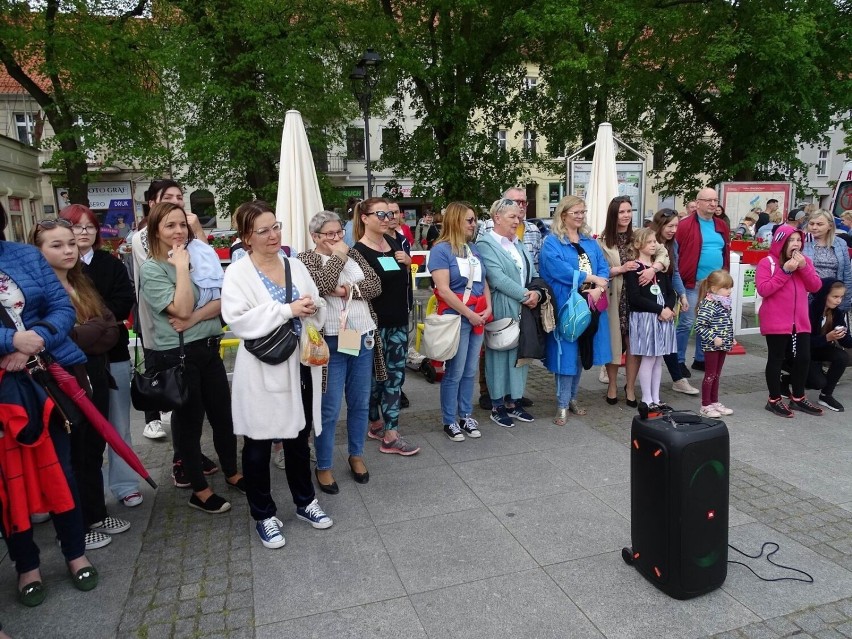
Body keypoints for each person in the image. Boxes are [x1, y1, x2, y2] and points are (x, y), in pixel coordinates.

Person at [0, 207, 98, 607]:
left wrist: (33, 340)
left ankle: (75, 554)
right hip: (4, 391)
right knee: (11, 481)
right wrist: (9, 343)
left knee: (62, 468)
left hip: (44, 378)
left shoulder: (23, 256)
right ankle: (27, 565)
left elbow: (61, 306)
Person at [222, 204, 333, 548]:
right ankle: (263, 513)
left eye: (276, 227)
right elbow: (237, 319)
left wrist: (313, 308)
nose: (273, 236)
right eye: (263, 231)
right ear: (245, 238)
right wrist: (286, 309)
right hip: (262, 368)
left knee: (298, 438)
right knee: (257, 443)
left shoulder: (295, 265)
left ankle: (305, 501)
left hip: (298, 362)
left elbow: (317, 305)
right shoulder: (238, 273)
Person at [29, 218, 133, 551]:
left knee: (92, 449)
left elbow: (111, 329)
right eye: (56, 245)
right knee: (71, 454)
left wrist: (86, 331)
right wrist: (91, 330)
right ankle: (76, 526)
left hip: (95, 373)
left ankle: (97, 512)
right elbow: (60, 338)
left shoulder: (82, 281)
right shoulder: (39, 292)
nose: (68, 250)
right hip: (63, 379)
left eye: (70, 243)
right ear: (39, 250)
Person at [139, 202, 244, 513]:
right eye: (170, 225)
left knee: (224, 417)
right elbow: (179, 309)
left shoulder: (199, 255)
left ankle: (232, 472)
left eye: (182, 225)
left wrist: (194, 318)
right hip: (178, 355)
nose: (179, 231)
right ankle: (199, 489)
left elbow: (224, 301)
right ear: (155, 230)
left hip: (210, 347)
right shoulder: (153, 269)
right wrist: (182, 269)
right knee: (190, 424)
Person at [131, 180, 218, 481]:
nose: (177, 201)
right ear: (152, 204)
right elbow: (175, 301)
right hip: (165, 335)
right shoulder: (144, 241)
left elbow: (213, 282)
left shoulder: (187, 237)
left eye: (180, 197)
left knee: (200, 408)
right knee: (181, 403)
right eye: (168, 198)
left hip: (198, 336)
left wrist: (196, 315)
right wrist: (185, 272)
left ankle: (191, 457)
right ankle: (184, 462)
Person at [60, 205, 141, 509]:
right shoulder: (56, 269)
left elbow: (122, 304)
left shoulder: (111, 263)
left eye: (89, 227)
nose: (84, 232)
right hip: (70, 362)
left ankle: (124, 483)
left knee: (119, 423)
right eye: (76, 226)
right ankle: (84, 495)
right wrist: (99, 320)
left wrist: (86, 322)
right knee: (80, 429)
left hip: (113, 355)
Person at [298, 211, 382, 490]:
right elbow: (321, 286)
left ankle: (356, 455)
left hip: (362, 335)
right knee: (329, 408)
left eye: (339, 233)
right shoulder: (305, 259)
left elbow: (375, 285)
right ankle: (323, 465)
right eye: (329, 234)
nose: (336, 238)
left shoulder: (355, 255)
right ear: (315, 236)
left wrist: (346, 290)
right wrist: (339, 257)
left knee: (359, 402)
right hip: (330, 341)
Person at [353, 198, 420, 455]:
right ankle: (375, 422)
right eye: (379, 214)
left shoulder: (394, 243)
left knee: (395, 377)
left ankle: (391, 433)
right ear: (364, 218)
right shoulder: (357, 253)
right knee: (372, 382)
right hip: (371, 327)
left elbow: (402, 281)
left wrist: (407, 263)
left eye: (388, 213)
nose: (386, 218)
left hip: (398, 323)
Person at [539, 196, 611, 425]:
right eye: (575, 212)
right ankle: (561, 404)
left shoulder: (590, 242)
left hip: (592, 304)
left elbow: (603, 267)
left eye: (583, 212)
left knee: (582, 352)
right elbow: (558, 270)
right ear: (563, 215)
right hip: (567, 304)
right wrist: (591, 278)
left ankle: (572, 398)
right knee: (565, 354)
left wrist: (600, 287)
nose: (580, 216)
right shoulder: (552, 242)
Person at [428, 202, 491, 439]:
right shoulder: (441, 250)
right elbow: (443, 290)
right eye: (470, 220)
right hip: (457, 318)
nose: (474, 224)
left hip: (477, 318)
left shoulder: (473, 249)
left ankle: (465, 414)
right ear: (455, 221)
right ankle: (449, 419)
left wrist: (488, 308)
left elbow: (484, 281)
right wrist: (470, 314)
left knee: (469, 370)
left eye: (474, 220)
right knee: (454, 371)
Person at [598, 196, 668, 406]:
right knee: (614, 345)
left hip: (639, 298)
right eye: (621, 212)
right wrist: (619, 269)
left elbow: (663, 253)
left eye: (629, 211)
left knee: (634, 345)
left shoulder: (639, 235)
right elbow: (597, 270)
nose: (626, 215)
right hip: (615, 298)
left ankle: (630, 387)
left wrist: (653, 268)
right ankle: (612, 385)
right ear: (613, 214)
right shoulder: (602, 241)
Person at [477, 198, 539, 427]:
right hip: (503, 304)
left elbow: (531, 273)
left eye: (519, 216)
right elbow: (497, 278)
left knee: (520, 355)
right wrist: (526, 295)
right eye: (512, 216)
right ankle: (497, 404)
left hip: (524, 306)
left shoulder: (517, 243)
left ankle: (514, 401)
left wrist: (536, 294)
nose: (517, 220)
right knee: (499, 353)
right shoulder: (486, 243)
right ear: (497, 218)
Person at [756, 224, 823, 418]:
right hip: (776, 320)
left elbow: (816, 286)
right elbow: (764, 289)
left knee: (803, 358)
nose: (796, 244)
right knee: (776, 359)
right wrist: (784, 271)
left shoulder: (805, 261)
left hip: (800, 320)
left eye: (798, 240)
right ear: (780, 243)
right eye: (791, 240)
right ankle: (774, 399)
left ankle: (798, 397)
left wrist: (803, 268)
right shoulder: (767, 262)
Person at [675, 187, 730, 377]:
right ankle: (678, 361)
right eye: (709, 200)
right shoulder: (685, 225)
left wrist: (725, 278)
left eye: (715, 200)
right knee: (687, 321)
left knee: (707, 322)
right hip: (692, 281)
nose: (713, 204)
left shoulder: (721, 225)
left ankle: (700, 358)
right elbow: (676, 252)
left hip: (714, 284)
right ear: (697, 203)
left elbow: (725, 252)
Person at [624, 228, 677, 413]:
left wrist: (669, 308)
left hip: (663, 317)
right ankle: (647, 398)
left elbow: (671, 292)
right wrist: (659, 310)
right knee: (648, 357)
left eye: (655, 241)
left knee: (658, 359)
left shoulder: (658, 267)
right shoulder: (634, 268)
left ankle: (656, 397)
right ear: (639, 245)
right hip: (646, 317)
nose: (654, 244)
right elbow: (635, 298)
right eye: (650, 242)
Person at [649, 209, 698, 396]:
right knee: (632, 339)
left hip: (666, 293)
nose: (673, 230)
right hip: (648, 295)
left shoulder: (673, 244)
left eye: (676, 226)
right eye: (670, 226)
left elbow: (675, 271)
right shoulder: (648, 240)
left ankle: (678, 379)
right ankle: (611, 368)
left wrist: (682, 295)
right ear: (660, 224)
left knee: (667, 338)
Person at [784, 279, 852, 412]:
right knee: (817, 383)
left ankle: (826, 395)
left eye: (841, 297)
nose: (838, 300)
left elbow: (846, 341)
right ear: (824, 295)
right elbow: (802, 342)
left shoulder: (837, 313)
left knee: (842, 356)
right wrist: (827, 337)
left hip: (817, 350)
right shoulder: (809, 309)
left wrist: (841, 335)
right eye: (835, 296)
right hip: (799, 352)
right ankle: (786, 377)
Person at [693, 270, 736, 417]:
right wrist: (713, 338)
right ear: (714, 289)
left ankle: (714, 401)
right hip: (712, 346)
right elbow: (700, 326)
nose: (729, 291)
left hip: (722, 344)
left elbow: (726, 323)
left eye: (730, 287)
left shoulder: (723, 303)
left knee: (717, 374)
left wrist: (731, 337)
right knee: (710, 374)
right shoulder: (709, 304)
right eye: (726, 288)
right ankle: (705, 404)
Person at [802, 209, 852, 311]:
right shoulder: (801, 242)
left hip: (832, 298)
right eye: (811, 224)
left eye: (819, 224)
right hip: (808, 297)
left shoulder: (841, 243)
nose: (814, 227)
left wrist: (845, 302)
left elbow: (846, 274)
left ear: (830, 226)